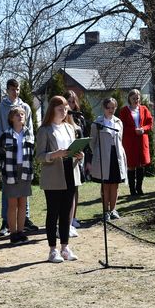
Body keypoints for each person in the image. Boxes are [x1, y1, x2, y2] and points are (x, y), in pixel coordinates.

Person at [35, 96, 83, 263]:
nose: (64, 111)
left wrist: (79, 156)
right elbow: (39, 157)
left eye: (65, 108)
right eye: (60, 109)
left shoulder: (70, 128)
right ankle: (52, 250)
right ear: (52, 110)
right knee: (53, 213)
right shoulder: (45, 130)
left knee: (65, 213)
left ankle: (65, 247)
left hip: (70, 173)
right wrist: (55, 154)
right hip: (53, 177)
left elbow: (72, 150)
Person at [0, 79, 38, 236]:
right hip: (10, 162)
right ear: (7, 90)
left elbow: (31, 131)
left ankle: (23, 224)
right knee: (11, 200)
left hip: (24, 164)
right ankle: (7, 225)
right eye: (12, 89)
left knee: (23, 200)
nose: (15, 92)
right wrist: (8, 143)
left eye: (17, 89)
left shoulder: (25, 106)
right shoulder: (0, 108)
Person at [0, 107, 34, 245]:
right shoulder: (5, 135)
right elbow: (0, 155)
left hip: (25, 170)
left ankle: (21, 232)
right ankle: (13, 233)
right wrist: (4, 171)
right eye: (17, 115)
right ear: (11, 118)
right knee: (12, 204)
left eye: (23, 114)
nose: (20, 117)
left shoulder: (28, 133)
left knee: (23, 203)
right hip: (10, 170)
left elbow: (32, 154)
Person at [90, 98, 128, 220]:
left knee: (115, 184)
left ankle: (113, 210)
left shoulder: (119, 122)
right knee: (105, 185)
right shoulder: (97, 123)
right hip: (104, 157)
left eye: (113, 108)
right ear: (104, 108)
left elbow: (120, 140)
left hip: (116, 155)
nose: (111, 110)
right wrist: (98, 154)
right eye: (108, 108)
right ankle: (105, 211)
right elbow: (92, 142)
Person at [119, 89, 153, 196]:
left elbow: (150, 123)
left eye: (137, 98)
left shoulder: (144, 109)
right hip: (130, 141)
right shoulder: (124, 110)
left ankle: (139, 188)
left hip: (141, 140)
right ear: (129, 99)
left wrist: (143, 129)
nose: (136, 100)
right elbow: (121, 126)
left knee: (140, 165)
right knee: (131, 165)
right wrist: (134, 130)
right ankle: (132, 190)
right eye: (133, 98)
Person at [64, 90, 87, 235]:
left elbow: (83, 136)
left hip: (78, 157)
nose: (72, 104)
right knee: (67, 189)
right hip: (66, 158)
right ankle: (66, 219)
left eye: (74, 101)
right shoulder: (63, 118)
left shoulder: (78, 118)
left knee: (76, 187)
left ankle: (73, 217)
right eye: (69, 102)